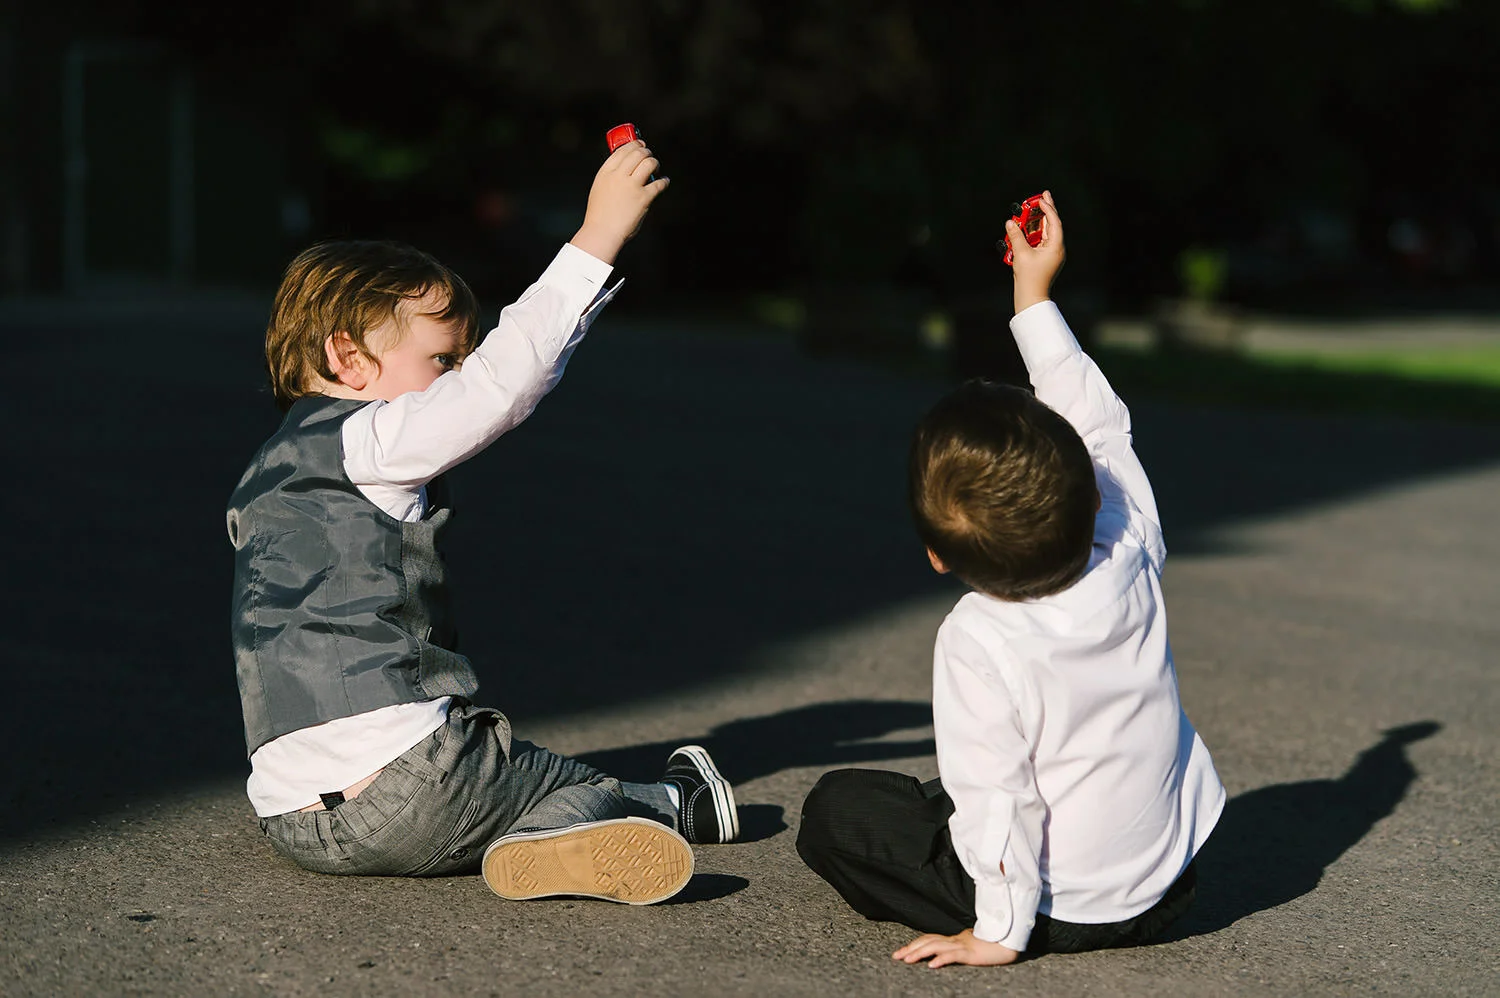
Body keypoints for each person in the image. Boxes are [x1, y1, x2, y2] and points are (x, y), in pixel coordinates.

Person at [227, 139, 738, 907]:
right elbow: (504, 385)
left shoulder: (266, 476)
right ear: (348, 358)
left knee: (496, 779)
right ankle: (670, 807)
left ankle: (543, 828)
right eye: (442, 359)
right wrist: (596, 238)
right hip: (413, 787)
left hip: (291, 817)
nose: (457, 376)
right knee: (566, 782)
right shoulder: (374, 437)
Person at [795, 191, 1224, 966]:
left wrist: (994, 934)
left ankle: (1007, 910)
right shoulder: (1126, 542)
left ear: (938, 556)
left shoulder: (979, 637)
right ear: (1093, 493)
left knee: (837, 811)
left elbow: (1000, 800)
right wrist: (1035, 297)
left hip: (1069, 913)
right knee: (965, 784)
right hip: (1172, 883)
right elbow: (1099, 424)